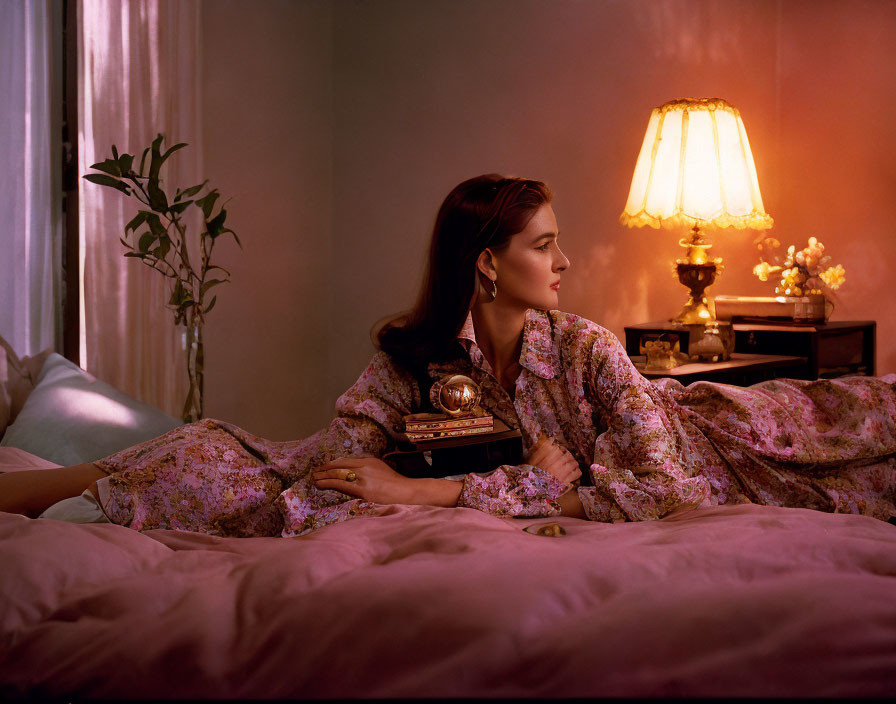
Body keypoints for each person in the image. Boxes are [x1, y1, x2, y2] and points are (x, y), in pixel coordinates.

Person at [2, 175, 895, 535]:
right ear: (487, 263)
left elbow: (667, 490)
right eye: (545, 245)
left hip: (759, 446)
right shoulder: (415, 361)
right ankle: (51, 484)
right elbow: (320, 472)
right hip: (702, 462)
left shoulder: (582, 346)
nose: (566, 262)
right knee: (253, 462)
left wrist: (437, 489)